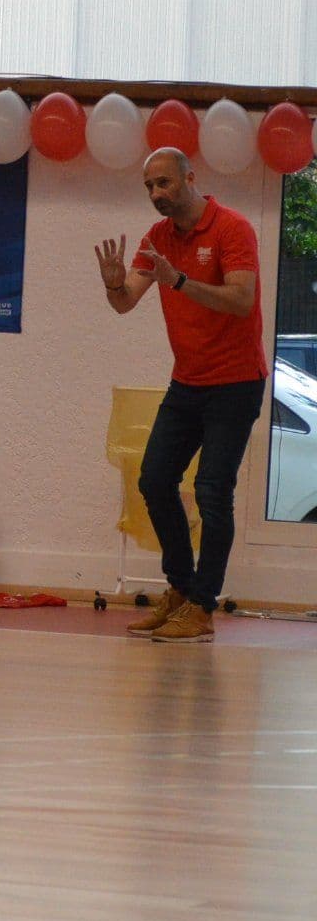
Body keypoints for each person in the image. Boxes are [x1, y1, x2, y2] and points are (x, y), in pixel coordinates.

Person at [95, 146, 267, 644]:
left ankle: (202, 607)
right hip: (187, 382)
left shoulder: (232, 228)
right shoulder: (157, 237)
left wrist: (181, 280)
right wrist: (111, 286)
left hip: (235, 383)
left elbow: (241, 299)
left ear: (191, 178)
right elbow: (126, 302)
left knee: (213, 490)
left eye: (165, 183)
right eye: (149, 186)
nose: (156, 194)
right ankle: (181, 590)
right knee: (153, 480)